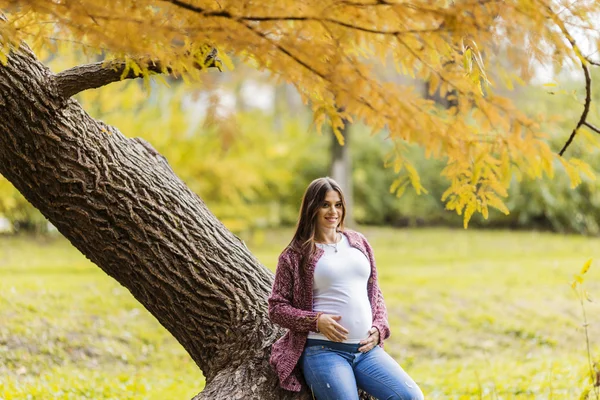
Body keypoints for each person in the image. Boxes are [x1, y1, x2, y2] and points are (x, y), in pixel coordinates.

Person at [268, 177, 424, 400]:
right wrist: (315, 321)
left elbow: (374, 292)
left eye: (338, 204)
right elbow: (276, 308)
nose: (333, 211)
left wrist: (380, 327)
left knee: (410, 397)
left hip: (366, 351)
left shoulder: (357, 241)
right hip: (323, 351)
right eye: (325, 204)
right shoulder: (295, 255)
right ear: (312, 208)